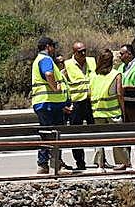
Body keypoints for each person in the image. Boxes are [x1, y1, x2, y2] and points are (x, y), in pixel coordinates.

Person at [31, 36, 66, 175]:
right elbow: (48, 74)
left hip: (43, 103)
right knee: (54, 134)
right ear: (48, 47)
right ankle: (56, 164)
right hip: (49, 103)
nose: (54, 49)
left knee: (45, 134)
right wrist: (55, 88)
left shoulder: (37, 60)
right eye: (53, 46)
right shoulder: (45, 59)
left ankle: (43, 164)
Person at [88, 49, 128, 170]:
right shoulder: (116, 74)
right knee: (117, 137)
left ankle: (100, 165)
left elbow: (89, 93)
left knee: (99, 138)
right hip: (113, 111)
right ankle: (121, 163)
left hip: (97, 111)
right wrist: (123, 110)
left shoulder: (93, 75)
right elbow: (119, 94)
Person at [63, 42, 97, 171]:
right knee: (75, 133)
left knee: (96, 131)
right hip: (76, 104)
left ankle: (100, 160)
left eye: (84, 50)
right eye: (80, 51)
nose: (83, 54)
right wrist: (66, 104)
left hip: (91, 101)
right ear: (74, 52)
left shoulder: (91, 61)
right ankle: (80, 161)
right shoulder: (67, 65)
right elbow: (63, 85)